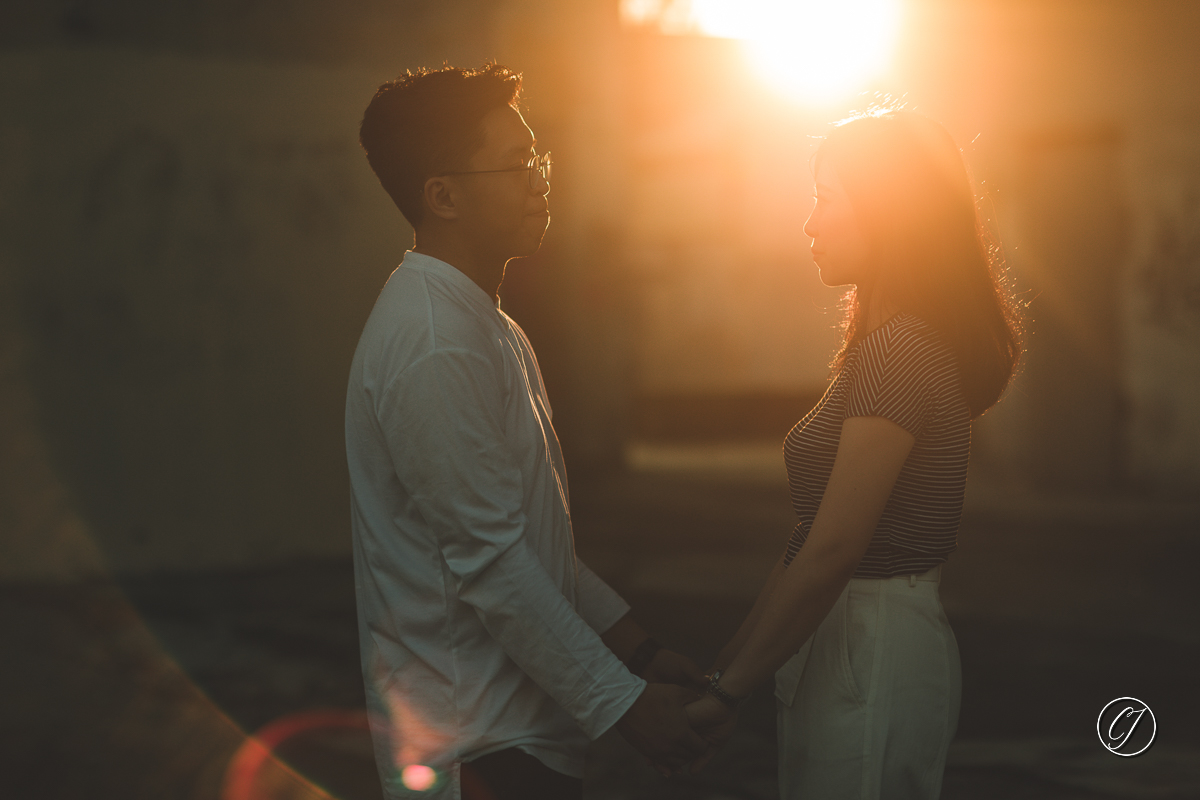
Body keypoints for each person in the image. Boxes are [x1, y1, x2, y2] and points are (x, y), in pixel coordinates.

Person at [345, 64, 708, 800]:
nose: (541, 181)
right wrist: (626, 707)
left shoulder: (486, 324)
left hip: (519, 736)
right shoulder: (434, 339)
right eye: (516, 166)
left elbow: (531, 542)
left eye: (538, 159)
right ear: (441, 194)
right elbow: (492, 562)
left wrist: (635, 648)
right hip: (477, 745)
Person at [685, 109, 1022, 798]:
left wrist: (729, 692)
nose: (809, 223)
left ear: (888, 215)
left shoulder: (900, 353)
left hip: (875, 643)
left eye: (827, 198)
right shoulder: (882, 349)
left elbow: (836, 546)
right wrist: (731, 663)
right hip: (845, 634)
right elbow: (810, 536)